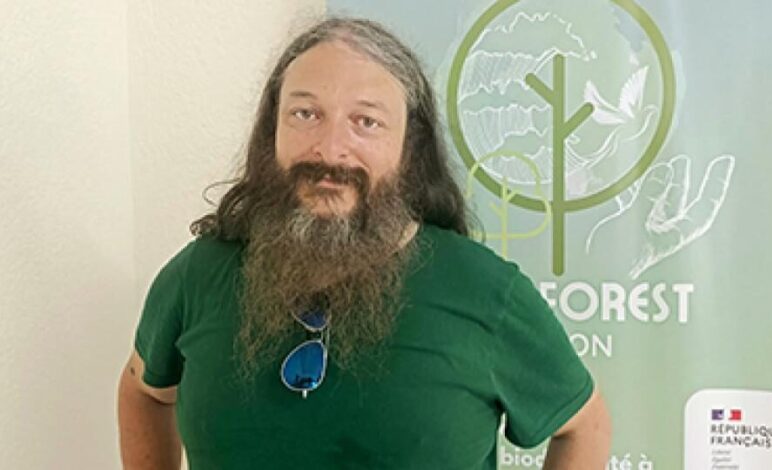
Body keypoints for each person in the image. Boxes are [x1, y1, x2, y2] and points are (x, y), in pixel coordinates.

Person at [117, 17, 611, 470]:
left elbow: (583, 426)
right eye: (305, 113)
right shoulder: (198, 274)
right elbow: (144, 390)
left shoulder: (486, 291)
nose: (330, 149)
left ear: (410, 147)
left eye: (366, 121)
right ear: (272, 130)